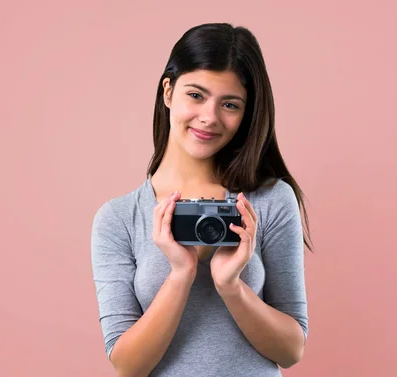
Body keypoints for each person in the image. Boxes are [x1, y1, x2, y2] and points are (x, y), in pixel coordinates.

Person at [91, 22, 313, 377]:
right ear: (168, 91)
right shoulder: (119, 218)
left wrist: (232, 286)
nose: (209, 117)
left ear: (246, 113)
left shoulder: (269, 199)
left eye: (230, 104)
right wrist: (182, 273)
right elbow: (127, 365)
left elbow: (291, 349)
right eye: (195, 95)